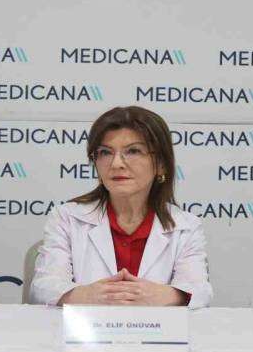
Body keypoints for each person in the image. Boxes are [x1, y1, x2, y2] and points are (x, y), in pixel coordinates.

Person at [30, 106, 212, 308]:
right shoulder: (66, 217)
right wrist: (88, 295)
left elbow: (199, 291)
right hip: (85, 328)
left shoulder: (186, 226)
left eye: (133, 151)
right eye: (105, 152)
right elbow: (44, 286)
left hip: (158, 328)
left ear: (161, 164)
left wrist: (165, 295)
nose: (116, 163)